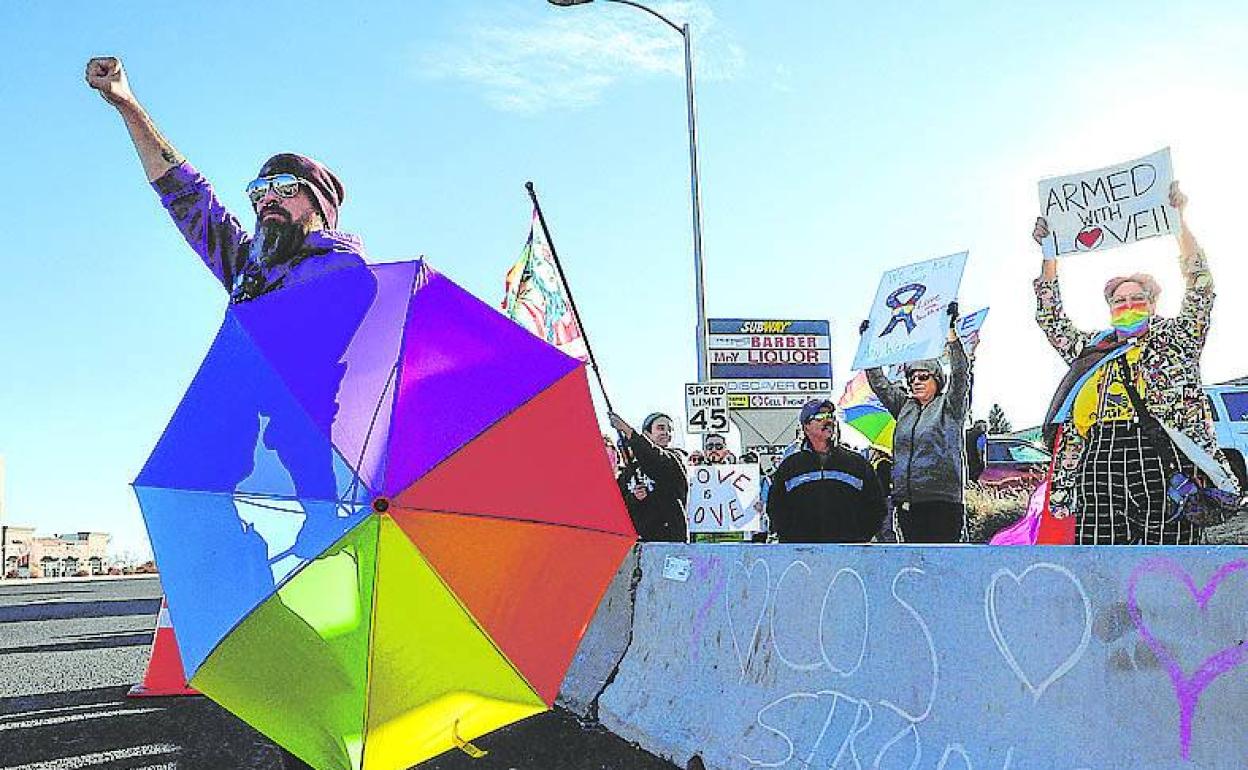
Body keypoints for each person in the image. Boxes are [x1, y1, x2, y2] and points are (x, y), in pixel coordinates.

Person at [88, 57, 375, 770]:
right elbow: (187, 197)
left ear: (319, 206)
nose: (264, 200)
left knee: (328, 618)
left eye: (283, 190)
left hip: (320, 474)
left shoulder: (343, 269)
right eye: (258, 191)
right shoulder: (254, 265)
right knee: (260, 610)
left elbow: (324, 339)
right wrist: (127, 104)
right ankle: (297, 726)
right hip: (255, 471)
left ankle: (332, 734)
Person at [1032, 182, 1239, 545]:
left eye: (1136, 298)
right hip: (1099, 455)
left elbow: (1201, 286)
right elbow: (1051, 318)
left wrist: (1180, 224)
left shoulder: (1178, 339)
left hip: (1161, 454)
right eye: (1118, 301)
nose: (1127, 305)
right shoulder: (1093, 349)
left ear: (1153, 303)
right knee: (1101, 551)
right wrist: (1049, 254)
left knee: (1168, 549)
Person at [862, 303, 970, 542]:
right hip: (907, 502)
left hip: (942, 502)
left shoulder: (950, 405)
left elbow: (961, 374)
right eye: (911, 377)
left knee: (942, 568)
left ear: (937, 379)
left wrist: (951, 333)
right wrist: (868, 344)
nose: (916, 381)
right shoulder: (904, 407)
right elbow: (879, 384)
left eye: (923, 376)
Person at [766, 400, 886, 543]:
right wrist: (790, 537)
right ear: (806, 427)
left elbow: (876, 505)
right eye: (820, 417)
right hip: (802, 553)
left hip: (849, 553)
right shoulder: (790, 467)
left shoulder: (857, 464)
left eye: (830, 416)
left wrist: (860, 536)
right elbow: (775, 507)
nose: (828, 420)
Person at [609, 412, 689, 542]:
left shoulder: (676, 458)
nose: (666, 433)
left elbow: (655, 459)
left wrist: (628, 431)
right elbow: (617, 506)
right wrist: (634, 497)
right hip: (637, 543)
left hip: (669, 541)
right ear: (647, 434)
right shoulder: (629, 472)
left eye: (670, 430)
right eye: (661, 428)